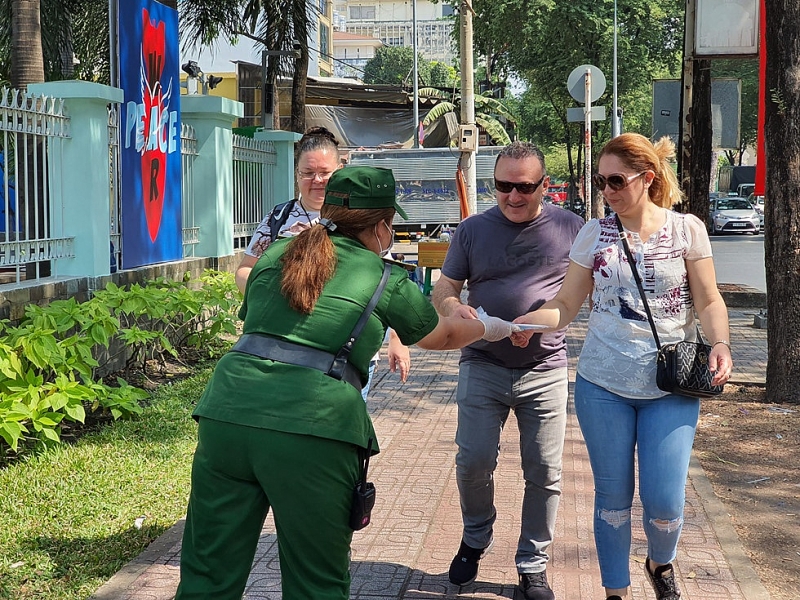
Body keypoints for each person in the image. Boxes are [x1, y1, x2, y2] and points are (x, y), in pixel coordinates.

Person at [174, 166, 514, 600]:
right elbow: (443, 335)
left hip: (227, 416)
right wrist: (488, 326)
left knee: (208, 574)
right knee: (316, 582)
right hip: (312, 426)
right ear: (381, 226)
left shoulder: (278, 254)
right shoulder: (383, 277)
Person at [510, 133, 733, 600]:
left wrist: (721, 343)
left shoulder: (686, 229)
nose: (607, 191)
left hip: (671, 385)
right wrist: (530, 321)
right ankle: (616, 591)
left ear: (647, 179)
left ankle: (660, 561)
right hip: (603, 384)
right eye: (601, 181)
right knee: (612, 502)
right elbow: (567, 302)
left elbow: (709, 299)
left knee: (665, 504)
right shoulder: (594, 233)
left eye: (617, 180)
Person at [431, 141, 584, 600]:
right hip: (483, 362)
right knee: (473, 460)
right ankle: (476, 536)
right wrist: (457, 308)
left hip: (545, 366)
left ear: (544, 185)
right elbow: (445, 287)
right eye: (502, 186)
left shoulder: (571, 227)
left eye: (524, 187)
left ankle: (532, 566)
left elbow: (577, 296)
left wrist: (534, 326)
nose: (513, 196)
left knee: (545, 471)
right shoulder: (473, 229)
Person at [234, 126, 410, 395]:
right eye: (308, 173)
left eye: (325, 173)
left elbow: (385, 283)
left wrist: (397, 339)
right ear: (297, 175)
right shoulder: (278, 218)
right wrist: (275, 297)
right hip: (286, 348)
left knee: (344, 427)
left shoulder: (361, 218)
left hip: (348, 353)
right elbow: (246, 270)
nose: (316, 180)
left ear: (339, 170)